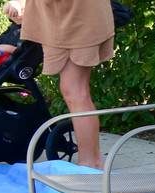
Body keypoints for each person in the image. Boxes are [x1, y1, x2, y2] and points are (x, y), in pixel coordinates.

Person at [11, 0, 113, 167]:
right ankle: (91, 163)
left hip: (76, 19)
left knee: (76, 92)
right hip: (64, 19)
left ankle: (90, 164)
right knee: (73, 91)